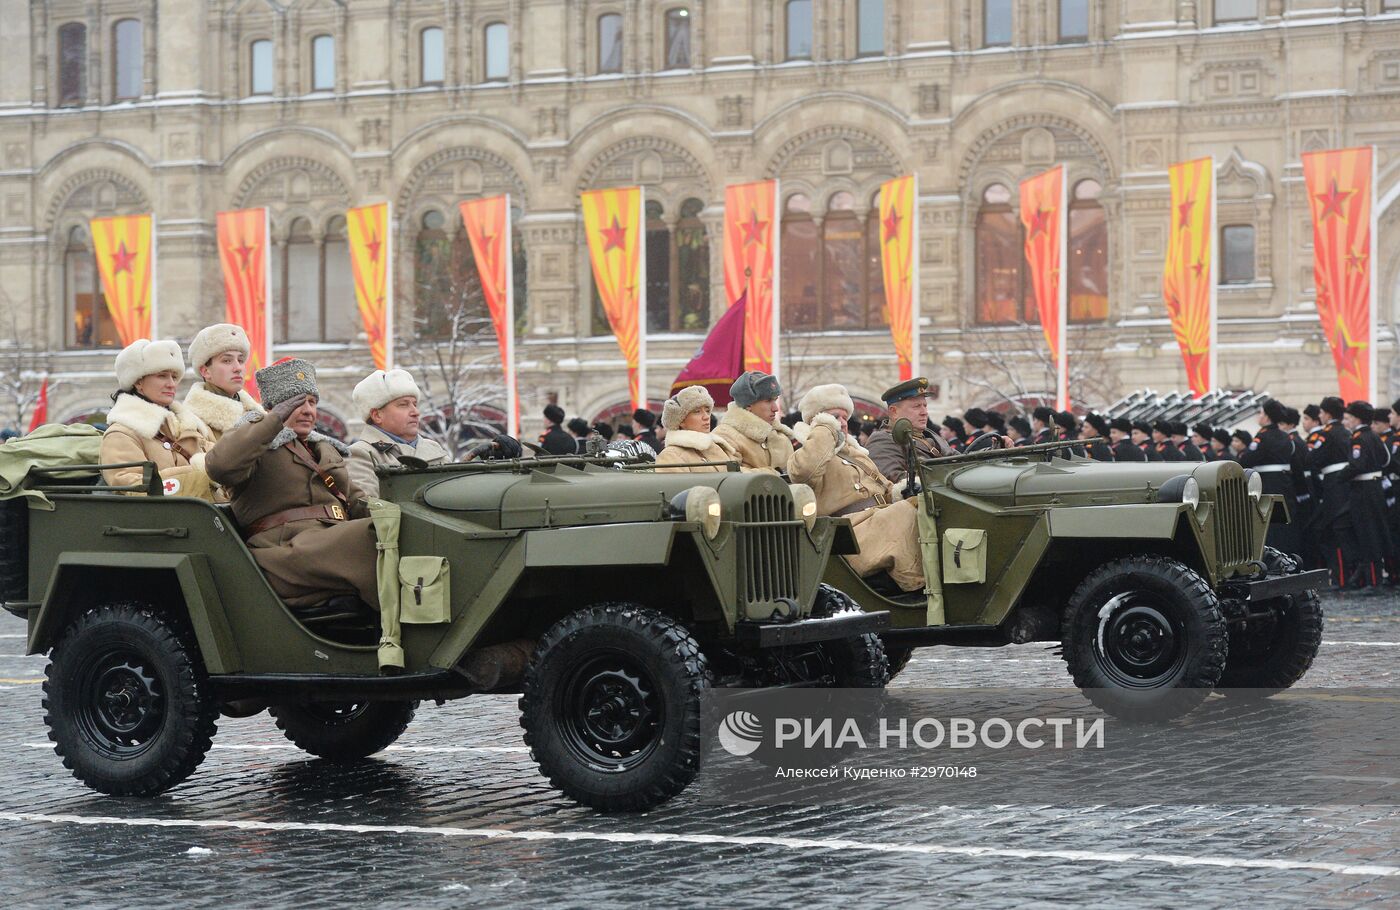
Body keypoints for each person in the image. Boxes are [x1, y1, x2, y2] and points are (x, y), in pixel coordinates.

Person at [206, 358, 380, 612]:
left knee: (398, 532)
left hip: (329, 545)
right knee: (369, 536)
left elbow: (357, 501)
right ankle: (398, 636)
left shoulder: (324, 449)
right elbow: (220, 466)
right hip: (284, 553)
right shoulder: (254, 442)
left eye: (312, 402)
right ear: (276, 408)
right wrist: (272, 421)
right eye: (297, 403)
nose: (308, 410)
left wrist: (398, 518)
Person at [788, 384, 923, 593]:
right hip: (847, 533)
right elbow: (804, 471)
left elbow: (884, 485)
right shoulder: (808, 451)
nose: (842, 423)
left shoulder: (855, 453)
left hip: (876, 522)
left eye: (844, 417)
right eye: (834, 417)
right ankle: (916, 586)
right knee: (904, 512)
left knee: (920, 506)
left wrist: (902, 491)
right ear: (817, 420)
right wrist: (824, 430)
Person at [100, 339, 217, 501]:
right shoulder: (121, 434)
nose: (171, 384)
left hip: (209, 512)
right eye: (162, 376)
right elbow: (132, 487)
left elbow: (222, 460)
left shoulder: (190, 426)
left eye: (174, 377)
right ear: (138, 382)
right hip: (168, 522)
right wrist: (197, 473)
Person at [345, 368, 449, 498]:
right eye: (403, 405)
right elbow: (368, 508)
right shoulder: (361, 454)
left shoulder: (434, 449)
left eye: (415, 404)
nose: (415, 412)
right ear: (377, 415)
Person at [1339, 400, 1391, 588]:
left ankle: (1373, 581)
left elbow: (1357, 465)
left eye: (1349, 418)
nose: (1347, 422)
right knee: (1373, 532)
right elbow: (1385, 460)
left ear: (1356, 418)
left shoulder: (1359, 437)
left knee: (1368, 534)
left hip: (1363, 491)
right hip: (1374, 488)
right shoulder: (1373, 436)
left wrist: (1339, 478)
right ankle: (1369, 576)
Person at [183, 323, 264, 442]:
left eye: (241, 360)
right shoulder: (191, 423)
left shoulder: (257, 414)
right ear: (205, 371)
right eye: (227, 361)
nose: (238, 368)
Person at [1239, 398, 1300, 556]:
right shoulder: (1286, 437)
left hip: (1267, 484)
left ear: (1266, 417)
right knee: (1284, 524)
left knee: (1268, 523)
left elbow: (1247, 459)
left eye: (1261, 413)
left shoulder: (1262, 436)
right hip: (1285, 484)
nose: (1260, 416)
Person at [866, 377, 951, 485]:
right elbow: (895, 481)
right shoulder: (882, 440)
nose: (924, 412)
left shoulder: (930, 435)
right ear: (894, 412)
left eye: (925, 406)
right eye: (917, 406)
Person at [1307, 396, 1355, 584]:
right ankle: (1345, 576)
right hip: (1343, 484)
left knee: (1334, 531)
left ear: (1327, 414)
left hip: (1334, 485)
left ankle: (1341, 578)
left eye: (1321, 412)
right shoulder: (1345, 431)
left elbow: (1312, 458)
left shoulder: (1327, 433)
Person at [712, 370, 797, 474]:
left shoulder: (781, 437)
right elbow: (726, 476)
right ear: (748, 404)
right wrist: (772, 474)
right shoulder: (725, 437)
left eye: (775, 400)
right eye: (768, 401)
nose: (775, 408)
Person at [654, 386, 738, 473]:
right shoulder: (671, 456)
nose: (706, 417)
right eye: (697, 411)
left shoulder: (716, 447)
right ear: (681, 421)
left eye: (707, 410)